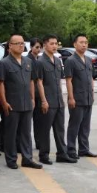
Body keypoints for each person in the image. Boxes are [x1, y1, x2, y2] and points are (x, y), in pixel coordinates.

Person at [0, 34, 41, 170]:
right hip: (12, 104)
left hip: (26, 103)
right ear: (10, 46)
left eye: (22, 43)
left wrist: (33, 98)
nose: (21, 46)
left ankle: (27, 158)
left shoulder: (28, 62)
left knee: (26, 133)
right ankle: (11, 159)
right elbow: (0, 84)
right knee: (11, 133)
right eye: (17, 43)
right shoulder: (4, 63)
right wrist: (3, 101)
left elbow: (31, 82)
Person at [34, 34, 76, 165]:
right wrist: (44, 101)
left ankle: (62, 154)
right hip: (47, 101)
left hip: (58, 101)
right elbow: (39, 82)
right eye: (51, 43)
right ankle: (44, 155)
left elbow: (59, 81)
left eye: (56, 43)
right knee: (45, 130)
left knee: (60, 129)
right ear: (45, 45)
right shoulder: (40, 62)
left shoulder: (58, 61)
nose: (54, 46)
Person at [64, 33, 97, 159]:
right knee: (74, 125)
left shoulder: (88, 60)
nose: (84, 45)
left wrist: (92, 93)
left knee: (85, 126)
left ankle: (84, 149)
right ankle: (71, 150)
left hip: (88, 98)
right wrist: (71, 97)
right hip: (77, 99)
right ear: (75, 44)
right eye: (81, 42)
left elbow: (91, 78)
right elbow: (68, 80)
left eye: (86, 42)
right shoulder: (70, 61)